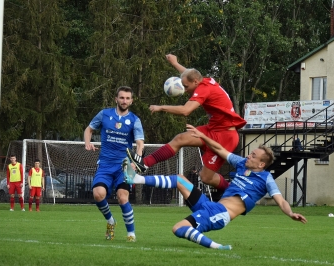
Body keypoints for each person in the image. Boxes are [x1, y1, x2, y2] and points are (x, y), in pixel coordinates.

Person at [123, 124, 307, 250]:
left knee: (178, 228)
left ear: (261, 165)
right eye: (251, 153)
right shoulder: (243, 164)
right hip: (208, 204)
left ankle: (217, 247)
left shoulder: (266, 178)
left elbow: (280, 200)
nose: (248, 156)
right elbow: (220, 149)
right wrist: (203, 136)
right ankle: (136, 179)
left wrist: (290, 213)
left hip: (219, 213)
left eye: (253, 156)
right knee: (180, 179)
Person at [127, 54, 247, 192]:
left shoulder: (204, 89)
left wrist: (161, 107)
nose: (183, 89)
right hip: (214, 129)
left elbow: (186, 110)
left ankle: (235, 191)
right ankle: (144, 164)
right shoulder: (204, 81)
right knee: (180, 138)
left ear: (196, 82)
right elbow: (188, 74)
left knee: (206, 178)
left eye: (185, 86)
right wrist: (175, 63)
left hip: (225, 136)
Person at [84, 86, 144, 242]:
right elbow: (89, 129)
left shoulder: (135, 120)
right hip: (105, 164)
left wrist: (135, 162)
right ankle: (111, 221)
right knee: (98, 194)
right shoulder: (104, 114)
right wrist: (87, 143)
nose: (124, 101)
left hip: (123, 166)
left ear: (131, 101)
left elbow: (139, 144)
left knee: (123, 198)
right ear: (116, 99)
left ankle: (131, 234)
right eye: (122, 97)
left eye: (127, 98)